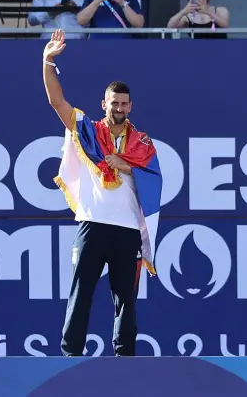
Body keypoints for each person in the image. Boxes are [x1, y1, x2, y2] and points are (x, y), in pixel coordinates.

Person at [42, 28, 162, 358]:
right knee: (80, 293)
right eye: (114, 103)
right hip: (92, 224)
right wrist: (48, 61)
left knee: (126, 298)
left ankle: (125, 358)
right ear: (104, 104)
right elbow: (57, 102)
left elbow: (154, 177)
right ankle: (70, 357)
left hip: (126, 231)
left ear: (131, 106)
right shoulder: (88, 132)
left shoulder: (143, 144)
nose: (119, 107)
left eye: (124, 103)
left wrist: (125, 166)